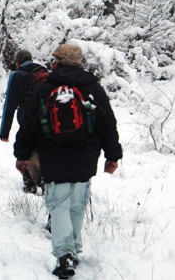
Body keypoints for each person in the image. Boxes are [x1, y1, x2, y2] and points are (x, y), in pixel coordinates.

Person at [14, 44, 122, 279]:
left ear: (57, 62)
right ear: (79, 62)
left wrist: (22, 154)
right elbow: (108, 123)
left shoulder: (45, 88)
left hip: (53, 155)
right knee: (76, 203)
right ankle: (73, 248)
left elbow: (29, 124)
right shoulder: (92, 88)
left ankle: (65, 256)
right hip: (86, 156)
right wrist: (113, 155)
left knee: (59, 204)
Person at [0, 50, 48, 193]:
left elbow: (9, 105)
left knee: (25, 151)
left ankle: (31, 183)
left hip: (27, 118)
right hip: (45, 118)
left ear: (18, 63)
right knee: (40, 150)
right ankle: (43, 179)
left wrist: (4, 132)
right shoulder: (44, 73)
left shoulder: (17, 76)